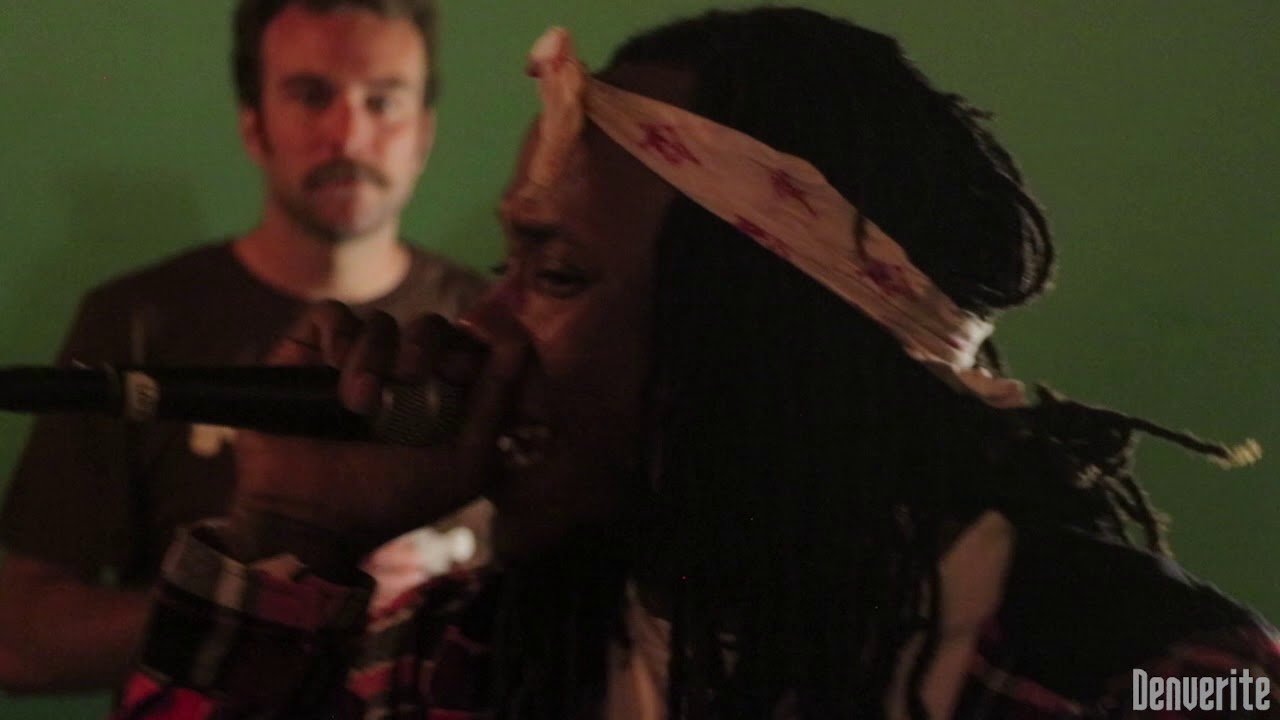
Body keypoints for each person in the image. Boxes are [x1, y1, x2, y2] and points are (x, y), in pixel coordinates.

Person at [109, 7, 1278, 719]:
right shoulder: (470, 653)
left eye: (557, 273)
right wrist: (293, 530)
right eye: (508, 263)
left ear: (770, 340)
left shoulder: (1157, 675)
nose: (484, 330)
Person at [0, 0, 492, 694]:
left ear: (424, 133)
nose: (350, 134)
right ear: (254, 124)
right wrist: (264, 597)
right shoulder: (139, 321)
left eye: (383, 101)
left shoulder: (493, 330)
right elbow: (18, 643)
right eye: (311, 96)